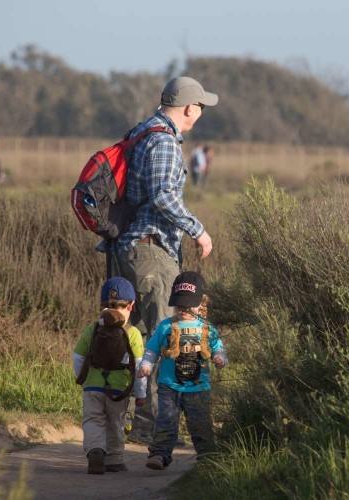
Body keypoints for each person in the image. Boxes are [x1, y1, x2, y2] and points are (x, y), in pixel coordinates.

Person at [113, 76, 218, 421]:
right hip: (151, 251)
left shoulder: (142, 131)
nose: (201, 112)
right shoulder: (164, 142)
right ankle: (156, 428)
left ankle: (119, 419)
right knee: (165, 341)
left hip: (130, 248)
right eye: (201, 106)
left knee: (133, 342)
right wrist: (198, 230)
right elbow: (162, 196)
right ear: (189, 108)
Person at [139, 271, 227, 469]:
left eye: (188, 305)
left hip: (197, 388)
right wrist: (146, 364)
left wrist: (220, 357)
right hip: (169, 386)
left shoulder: (207, 328)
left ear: (200, 303)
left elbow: (217, 347)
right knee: (166, 420)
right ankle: (160, 455)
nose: (183, 310)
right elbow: (152, 349)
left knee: (200, 423)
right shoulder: (165, 327)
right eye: (179, 305)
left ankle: (208, 457)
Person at [72, 276, 147, 474]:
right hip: (118, 390)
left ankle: (96, 450)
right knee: (116, 422)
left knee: (93, 420)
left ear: (101, 305)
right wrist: (140, 394)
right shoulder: (133, 333)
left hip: (93, 387)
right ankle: (114, 459)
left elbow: (78, 356)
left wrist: (82, 378)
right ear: (131, 305)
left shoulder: (93, 329)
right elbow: (139, 367)